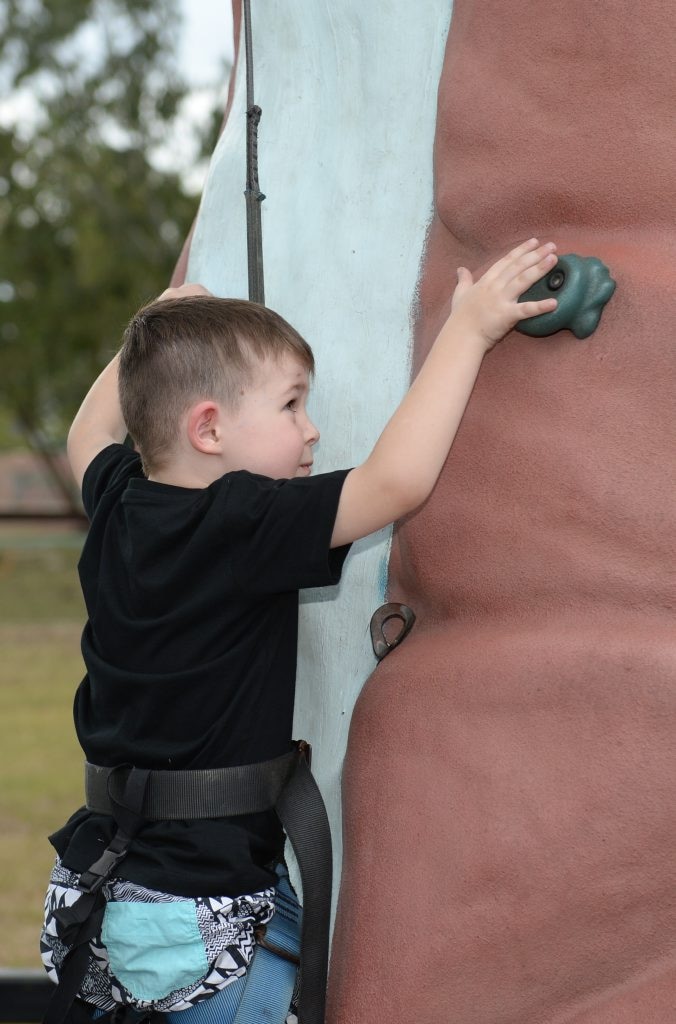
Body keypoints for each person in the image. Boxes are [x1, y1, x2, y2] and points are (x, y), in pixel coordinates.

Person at [40, 239, 558, 1023]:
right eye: (291, 405)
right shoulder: (240, 520)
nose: (312, 431)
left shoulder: (121, 500)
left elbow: (87, 435)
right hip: (200, 907)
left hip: (128, 887)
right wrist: (470, 331)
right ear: (209, 430)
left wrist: (146, 334)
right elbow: (397, 480)